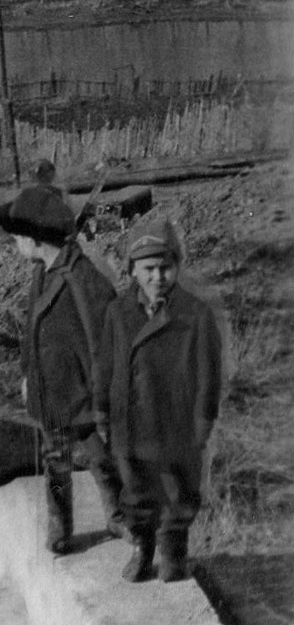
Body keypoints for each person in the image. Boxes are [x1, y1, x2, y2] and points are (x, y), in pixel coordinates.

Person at [0, 186, 124, 554]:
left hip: (84, 391)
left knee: (102, 458)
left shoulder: (83, 279)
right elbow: (32, 331)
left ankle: (118, 515)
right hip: (52, 391)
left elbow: (105, 339)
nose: (16, 244)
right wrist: (27, 374)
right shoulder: (42, 273)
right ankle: (59, 525)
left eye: (18, 237)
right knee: (56, 462)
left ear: (35, 239)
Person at [95, 218, 223, 583]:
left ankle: (173, 551)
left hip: (174, 421)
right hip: (130, 421)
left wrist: (202, 421)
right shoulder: (118, 313)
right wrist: (101, 409)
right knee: (135, 489)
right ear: (132, 270)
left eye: (165, 267)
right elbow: (105, 366)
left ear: (177, 266)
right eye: (148, 269)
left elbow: (208, 375)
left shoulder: (194, 314)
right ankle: (142, 547)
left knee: (178, 489)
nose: (157, 277)